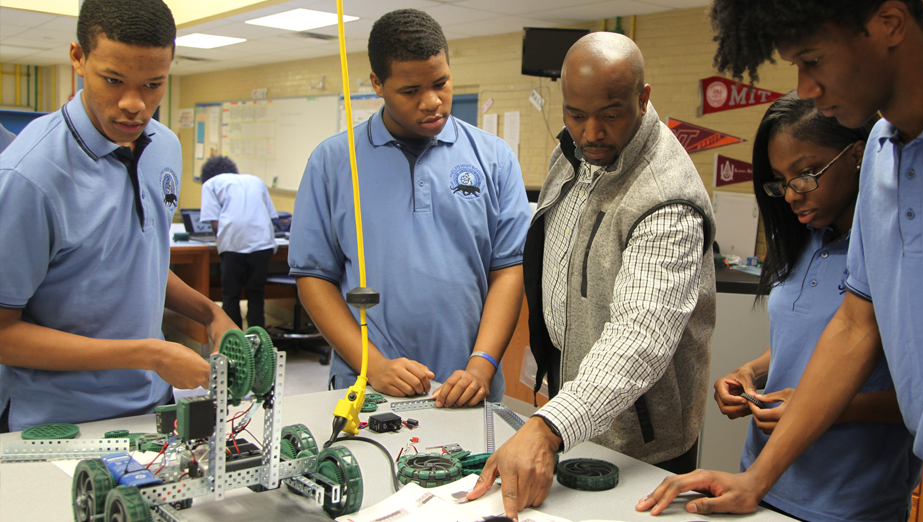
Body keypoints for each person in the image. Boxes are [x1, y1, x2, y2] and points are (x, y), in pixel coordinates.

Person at [638, 1, 923, 521]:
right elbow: (856, 326)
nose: (805, 87)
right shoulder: (881, 147)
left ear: (890, 22)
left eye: (813, 60)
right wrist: (757, 479)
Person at [469, 32, 717, 518]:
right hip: (572, 412)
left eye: (610, 113)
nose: (591, 133)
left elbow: (639, 336)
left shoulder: (667, 197)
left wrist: (547, 426)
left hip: (639, 441)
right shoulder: (573, 152)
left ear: (643, 99)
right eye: (575, 114)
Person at [0, 0, 238, 433]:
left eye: (153, 84)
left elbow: (136, 260)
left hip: (153, 404)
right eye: (113, 80)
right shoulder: (29, 176)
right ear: (77, 58)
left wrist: (208, 313)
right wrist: (151, 354)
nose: (135, 104)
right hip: (56, 422)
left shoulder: (163, 145)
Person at [288, 9, 531, 408]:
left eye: (441, 83)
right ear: (378, 85)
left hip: (469, 388)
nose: (432, 102)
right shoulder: (333, 162)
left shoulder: (494, 158)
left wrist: (481, 365)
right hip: (369, 388)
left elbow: (508, 269)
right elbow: (314, 278)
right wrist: (375, 365)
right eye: (411, 91)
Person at [711, 91, 921, 522]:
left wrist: (822, 407)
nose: (790, 195)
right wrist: (753, 371)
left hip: (848, 500)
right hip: (761, 481)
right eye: (780, 180)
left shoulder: (901, 253)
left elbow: (922, 399)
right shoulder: (803, 239)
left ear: (859, 155)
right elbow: (805, 339)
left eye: (806, 174)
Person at [199, 155, 279, 329]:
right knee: (256, 294)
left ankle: (234, 341)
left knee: (230, 295)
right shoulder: (255, 180)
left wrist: (219, 241)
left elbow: (214, 221)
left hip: (233, 243)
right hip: (262, 243)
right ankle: (258, 341)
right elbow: (271, 215)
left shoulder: (210, 184)